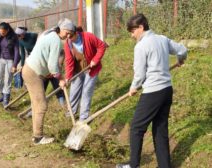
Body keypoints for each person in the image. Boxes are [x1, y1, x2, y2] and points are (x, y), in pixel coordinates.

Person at [116, 14, 187, 168]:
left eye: (133, 31)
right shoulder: (162, 39)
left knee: (136, 128)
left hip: (153, 92)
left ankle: (133, 165)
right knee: (160, 129)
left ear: (141, 27)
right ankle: (164, 165)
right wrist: (181, 59)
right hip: (167, 90)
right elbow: (182, 49)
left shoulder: (141, 46)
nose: (132, 35)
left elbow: (140, 74)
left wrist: (133, 87)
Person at [22, 18, 73, 145]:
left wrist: (53, 73)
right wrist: (60, 78)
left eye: (70, 34)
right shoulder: (56, 40)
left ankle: (36, 135)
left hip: (29, 69)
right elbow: (52, 65)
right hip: (34, 73)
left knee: (36, 104)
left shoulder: (49, 33)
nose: (68, 36)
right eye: (67, 33)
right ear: (61, 29)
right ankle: (38, 137)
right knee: (42, 105)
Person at [15, 27, 65, 118]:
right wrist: (22, 65)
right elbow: (23, 54)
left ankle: (65, 109)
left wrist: (58, 68)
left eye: (19, 35)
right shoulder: (21, 41)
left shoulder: (36, 36)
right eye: (17, 36)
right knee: (39, 92)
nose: (18, 37)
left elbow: (59, 57)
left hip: (51, 67)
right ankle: (32, 112)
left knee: (58, 89)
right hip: (40, 67)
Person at [62, 25, 107, 121]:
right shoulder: (68, 43)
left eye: (71, 37)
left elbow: (102, 46)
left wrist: (95, 60)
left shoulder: (88, 37)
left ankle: (83, 117)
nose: (70, 39)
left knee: (86, 92)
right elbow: (69, 61)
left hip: (91, 69)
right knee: (74, 91)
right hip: (78, 70)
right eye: (67, 38)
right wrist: (67, 77)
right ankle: (71, 112)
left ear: (75, 33)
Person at [0, 22, 20, 106]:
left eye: (3, 32)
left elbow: (16, 52)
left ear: (7, 30)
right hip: (0, 59)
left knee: (7, 80)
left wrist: (14, 65)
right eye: (0, 32)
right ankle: (2, 93)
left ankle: (6, 99)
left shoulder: (14, 37)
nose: (2, 33)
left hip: (10, 60)